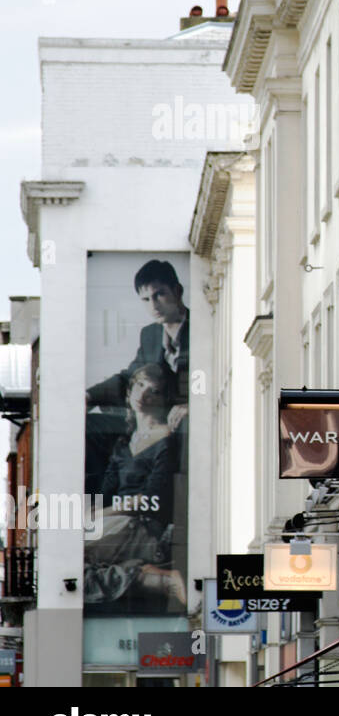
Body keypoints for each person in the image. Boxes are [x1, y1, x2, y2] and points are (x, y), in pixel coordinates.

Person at [83, 363, 186, 611]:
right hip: (117, 521)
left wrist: (96, 515)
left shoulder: (166, 441)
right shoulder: (124, 443)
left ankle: (148, 576)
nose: (143, 394)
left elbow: (150, 499)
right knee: (69, 564)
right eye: (140, 385)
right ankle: (142, 575)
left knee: (66, 557)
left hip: (143, 526)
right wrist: (93, 513)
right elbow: (106, 492)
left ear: (163, 399)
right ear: (129, 391)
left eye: (153, 391)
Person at [86, 259, 189, 433]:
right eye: (146, 299)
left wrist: (194, 406)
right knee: (88, 426)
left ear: (177, 291)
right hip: (152, 424)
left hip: (186, 430)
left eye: (159, 294)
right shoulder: (150, 335)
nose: (153, 305)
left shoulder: (202, 328)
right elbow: (130, 378)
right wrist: (89, 396)